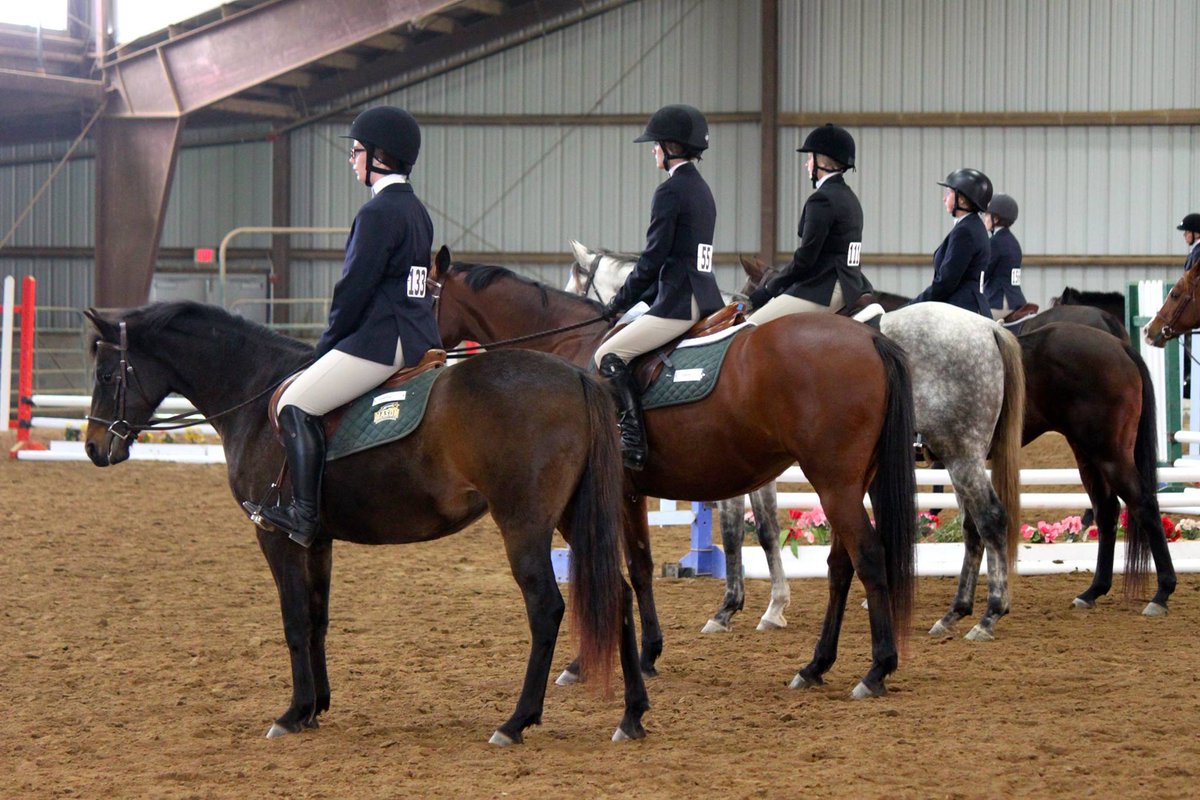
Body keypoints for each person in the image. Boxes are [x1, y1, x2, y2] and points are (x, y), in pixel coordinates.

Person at [260, 106, 441, 547]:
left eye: (357, 151)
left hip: (380, 340)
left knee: (294, 406)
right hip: (417, 334)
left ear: (380, 156)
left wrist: (327, 344)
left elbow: (354, 290)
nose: (352, 159)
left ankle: (304, 516)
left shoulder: (378, 213)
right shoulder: (418, 211)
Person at [596, 104, 724, 470]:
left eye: (655, 144)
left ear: (671, 146)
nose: (652, 150)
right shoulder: (702, 190)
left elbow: (653, 260)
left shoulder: (670, 192)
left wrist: (618, 302)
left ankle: (633, 442)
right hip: (705, 296)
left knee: (610, 354)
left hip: (680, 302)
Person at [746, 123, 869, 321]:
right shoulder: (850, 197)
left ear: (821, 161)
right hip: (852, 284)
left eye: (810, 158)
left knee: (750, 325)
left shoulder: (822, 199)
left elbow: (805, 258)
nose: (807, 164)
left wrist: (770, 288)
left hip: (825, 288)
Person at [910, 168, 992, 316]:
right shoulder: (973, 226)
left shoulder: (965, 231)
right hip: (971, 305)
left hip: (960, 308)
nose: (944, 198)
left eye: (949, 193)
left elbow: (946, 282)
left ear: (961, 199)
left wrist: (913, 305)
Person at [982, 193, 1026, 320]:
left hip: (999, 301)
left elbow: (984, 273)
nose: (984, 218)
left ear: (995, 219)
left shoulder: (995, 242)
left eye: (987, 215)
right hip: (1016, 299)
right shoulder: (1013, 241)